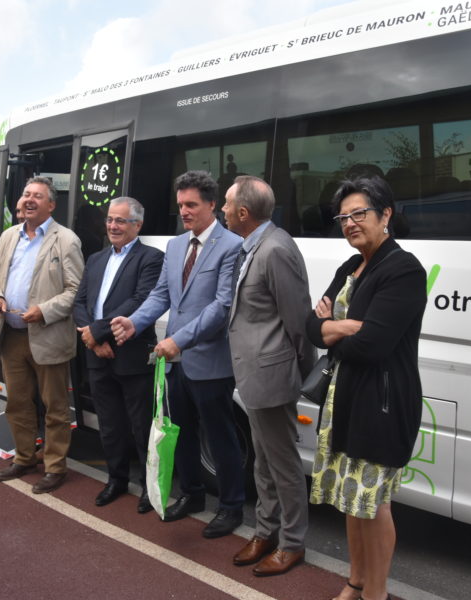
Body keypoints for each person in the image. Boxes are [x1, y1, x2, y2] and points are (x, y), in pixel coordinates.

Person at [305, 176, 427, 600]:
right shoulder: (349, 267)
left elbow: (373, 346)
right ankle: (355, 581)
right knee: (351, 500)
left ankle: (375, 593)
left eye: (359, 213)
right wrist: (342, 327)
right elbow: (311, 327)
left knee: (373, 506)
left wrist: (331, 327)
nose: (350, 223)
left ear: (385, 214)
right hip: (344, 399)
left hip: (381, 404)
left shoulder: (403, 269)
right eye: (343, 217)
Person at [111, 170, 246, 538]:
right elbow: (161, 294)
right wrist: (134, 322)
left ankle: (231, 507)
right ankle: (192, 494)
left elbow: (222, 306)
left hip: (210, 361)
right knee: (181, 432)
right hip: (174, 360)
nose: (184, 211)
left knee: (220, 437)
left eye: (191, 204)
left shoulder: (232, 246)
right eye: (180, 205)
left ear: (212, 205)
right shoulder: (174, 246)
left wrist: (179, 340)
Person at [222, 176, 315, 576]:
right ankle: (266, 532)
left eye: (227, 204)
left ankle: (292, 543)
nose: (222, 209)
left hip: (272, 377)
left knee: (283, 464)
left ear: (243, 212)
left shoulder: (276, 249)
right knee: (263, 462)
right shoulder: (255, 245)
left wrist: (305, 376)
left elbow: (299, 322)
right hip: (255, 376)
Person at [0, 176, 83, 494]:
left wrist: (44, 311)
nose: (29, 199)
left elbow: (76, 291)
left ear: (51, 205)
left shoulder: (66, 240)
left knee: (55, 408)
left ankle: (55, 467)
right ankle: (24, 458)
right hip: (11, 336)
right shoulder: (9, 236)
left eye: (37, 196)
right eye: (26, 194)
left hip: (48, 336)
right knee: (17, 403)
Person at [73, 196, 164, 512]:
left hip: (132, 355)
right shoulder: (95, 259)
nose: (113, 226)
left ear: (137, 225)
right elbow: (80, 303)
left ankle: (148, 487)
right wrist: (92, 340)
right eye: (110, 219)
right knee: (109, 424)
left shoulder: (151, 258)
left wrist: (97, 332)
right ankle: (116, 480)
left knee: (141, 426)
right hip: (97, 355)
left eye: (121, 221)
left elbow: (140, 300)